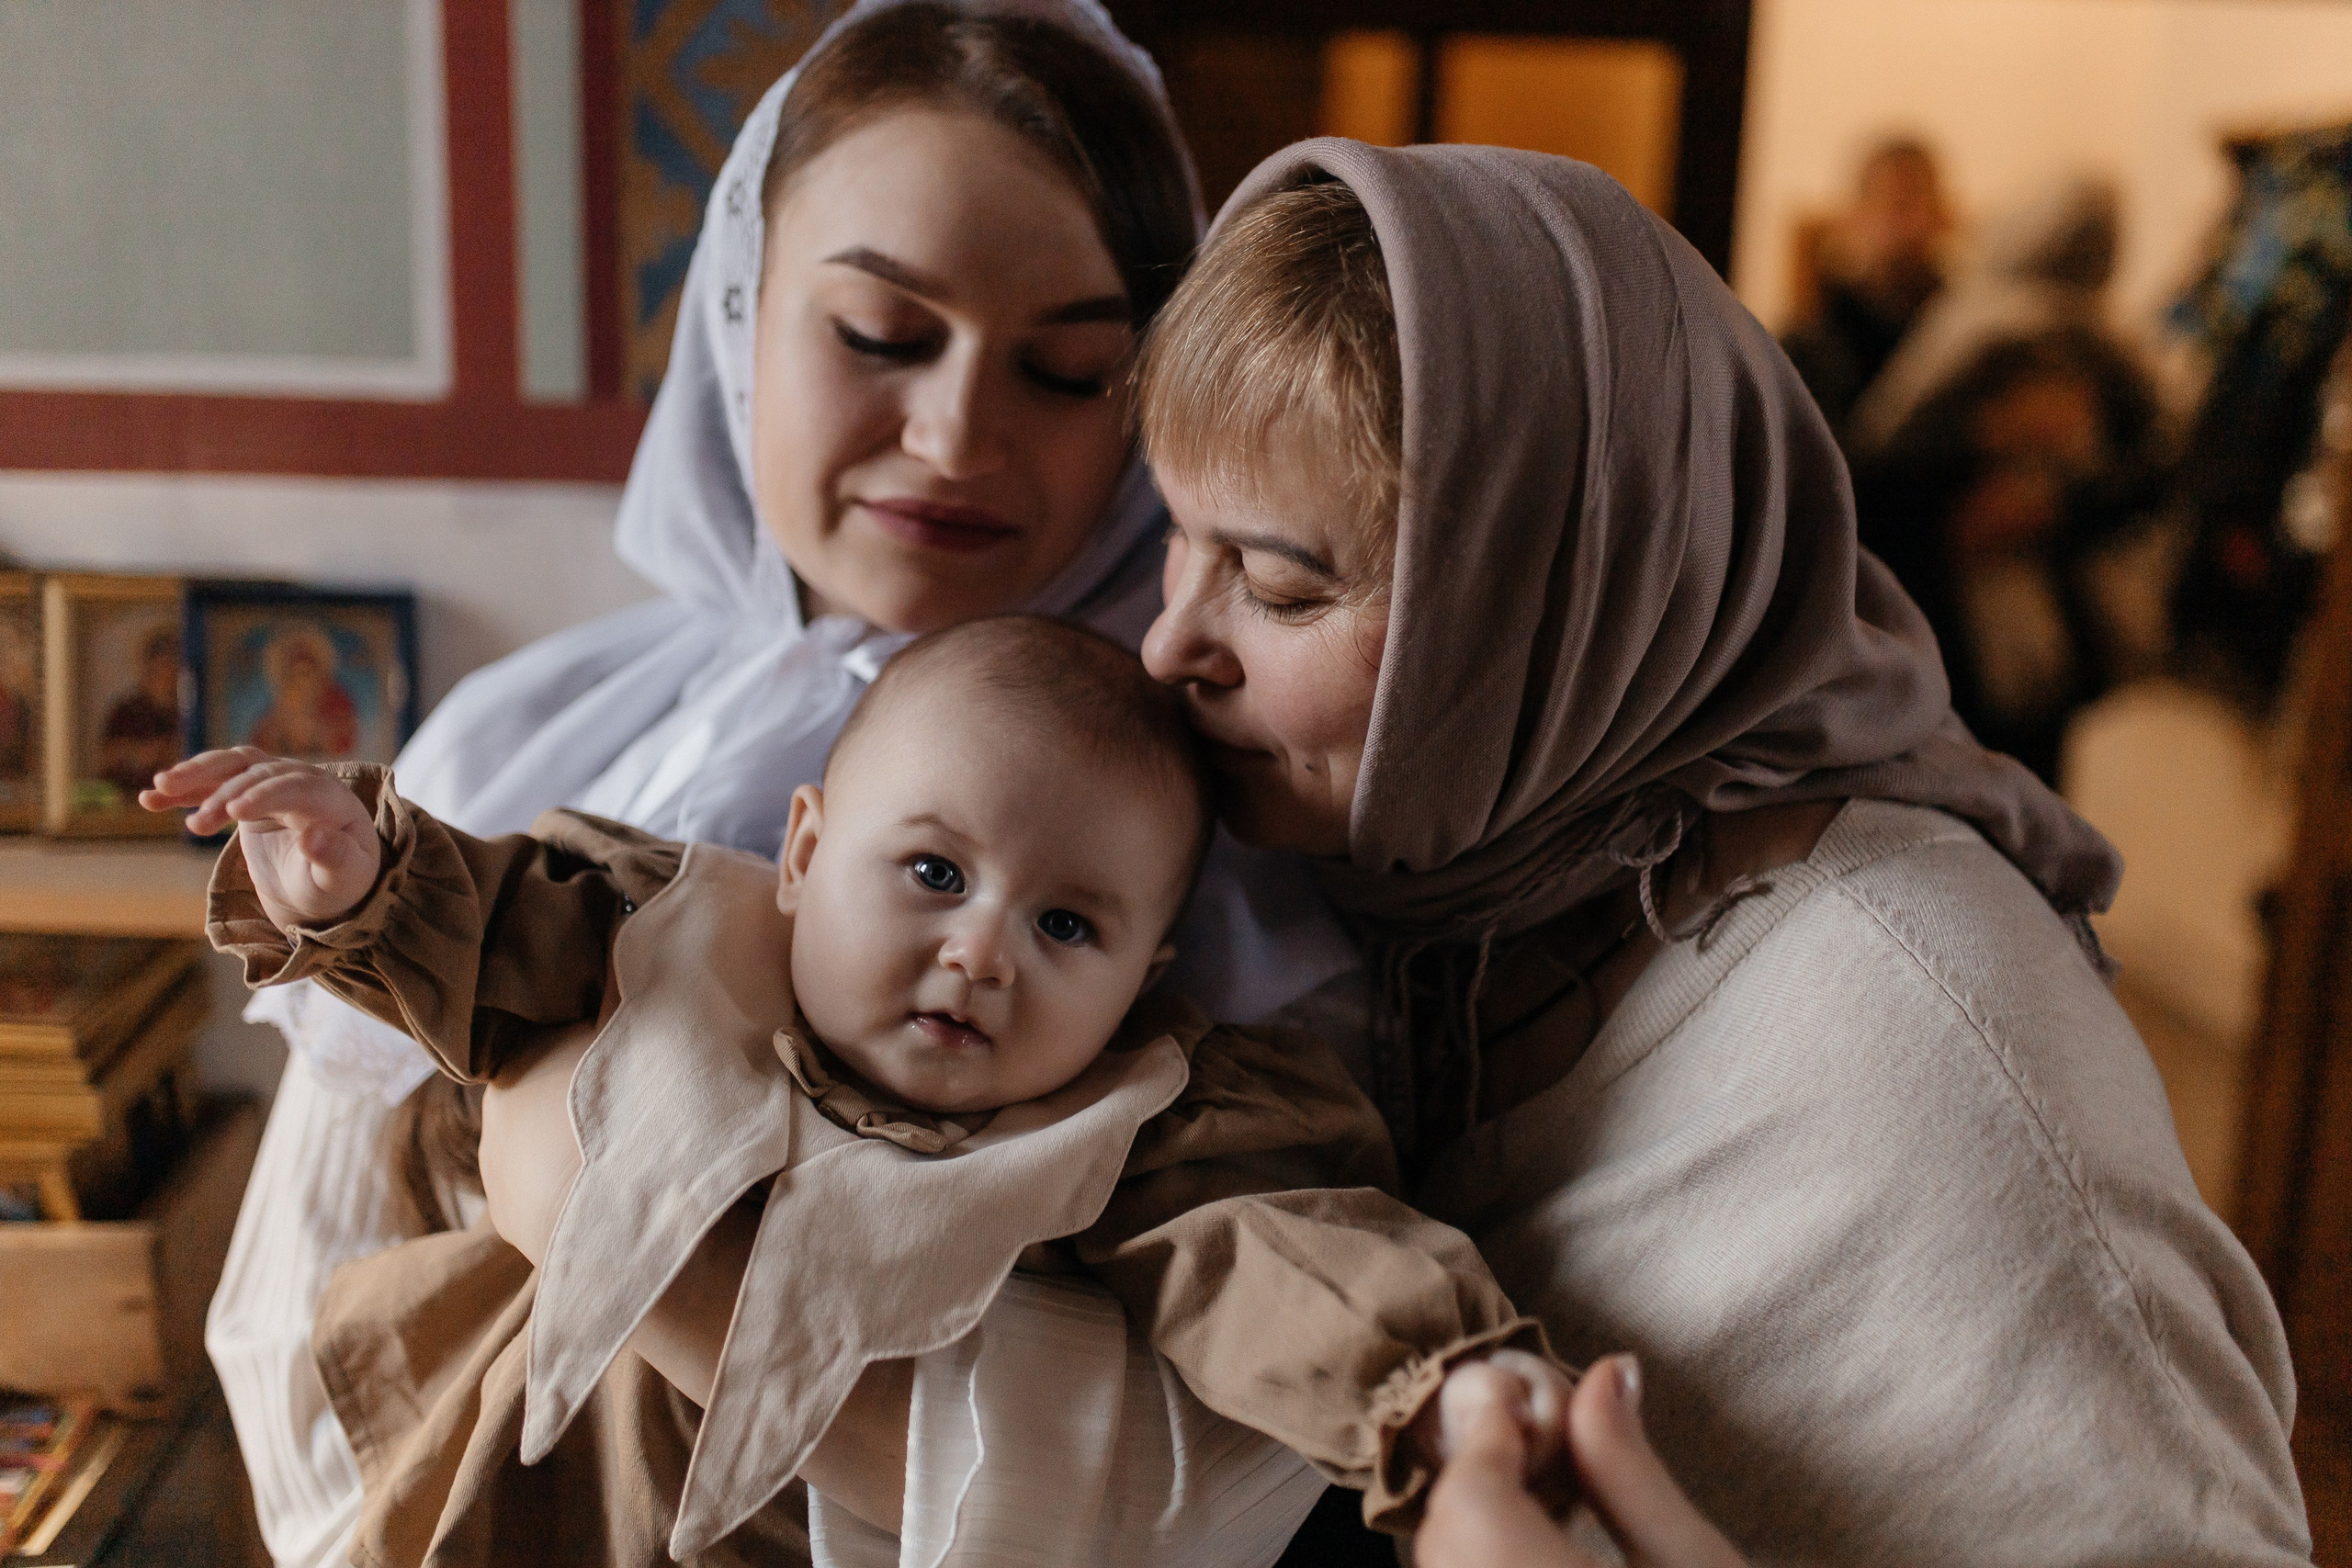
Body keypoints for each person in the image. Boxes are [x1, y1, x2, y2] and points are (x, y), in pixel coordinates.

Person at [204, 6, 1363, 1566]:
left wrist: (637, 1255)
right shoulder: (529, 741)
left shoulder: (1219, 857)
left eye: (1072, 370)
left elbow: (1209, 1485)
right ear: (741, 316)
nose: (954, 433)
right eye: (880, 337)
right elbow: (298, 1303)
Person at [1126, 143, 2308, 1561]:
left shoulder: (1925, 1045)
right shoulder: (1429, 898)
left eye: (1273, 580)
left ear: (1545, 594)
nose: (1166, 641)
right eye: (1175, 540)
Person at [156, 620, 1565, 1561]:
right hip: (541, 1504)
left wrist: (1434, 1385)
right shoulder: (673, 936)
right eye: (936, 873)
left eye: (1068, 926)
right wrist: (362, 876)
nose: (981, 951)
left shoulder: (1143, 1117)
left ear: (1146, 973)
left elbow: (1284, 1254)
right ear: (805, 849)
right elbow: (497, 920)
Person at [1780, 137, 1951, 443]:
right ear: (1855, 216)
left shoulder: (1960, 326)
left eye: (1920, 203)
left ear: (1942, 217)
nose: (1908, 221)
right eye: (1891, 203)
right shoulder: (1809, 342)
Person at [247, 625, 360, 760]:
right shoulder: (277, 712)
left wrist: (318, 731)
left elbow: (346, 745)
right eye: (294, 674)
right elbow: (259, 748)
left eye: (306, 673)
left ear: (319, 673)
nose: (301, 681)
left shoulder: (336, 703)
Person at [98, 625, 180, 799]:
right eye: (162, 666)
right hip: (130, 800)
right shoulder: (126, 710)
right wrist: (137, 754)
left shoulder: (186, 711)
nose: (169, 675)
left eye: (173, 667)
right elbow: (107, 758)